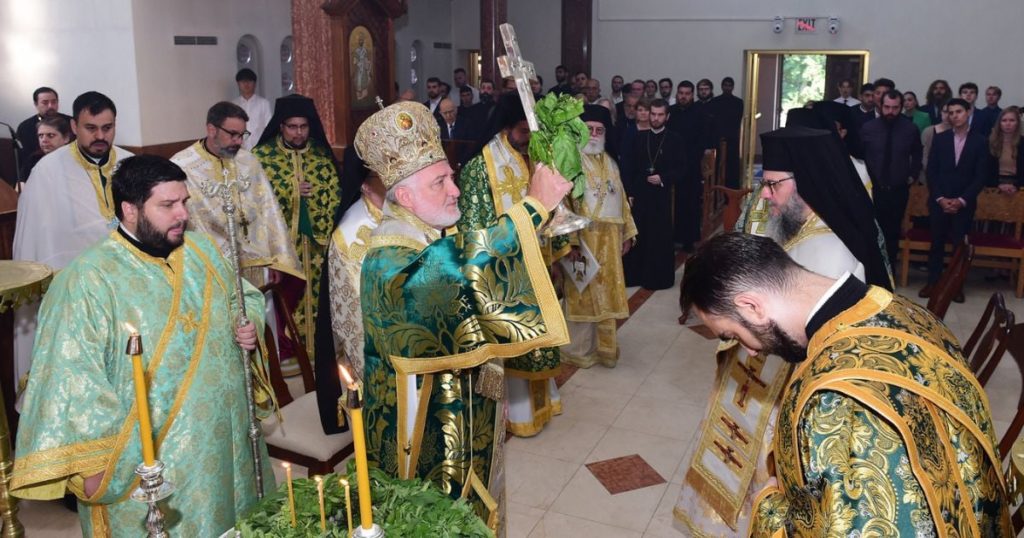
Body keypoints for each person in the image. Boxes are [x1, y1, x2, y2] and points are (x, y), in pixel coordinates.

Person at [680, 232, 1011, 537]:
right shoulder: (907, 311)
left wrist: (767, 499)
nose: (751, 351)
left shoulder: (828, 399)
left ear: (751, 306)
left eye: (734, 335)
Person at [11, 155, 274, 537]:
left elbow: (243, 297)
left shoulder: (202, 251)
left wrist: (247, 323)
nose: (181, 214)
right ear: (129, 210)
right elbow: (71, 379)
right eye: (167, 206)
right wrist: (95, 467)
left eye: (184, 202)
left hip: (225, 441)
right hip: (151, 462)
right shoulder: (87, 280)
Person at [356, 101, 571, 531]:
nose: (454, 189)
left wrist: (493, 393)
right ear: (404, 196)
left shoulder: (432, 229)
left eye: (450, 177)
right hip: (420, 431)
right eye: (440, 182)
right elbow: (454, 274)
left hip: (468, 412)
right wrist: (531, 209)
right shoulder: (386, 257)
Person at [675, 125, 891, 537]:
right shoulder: (792, 227)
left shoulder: (833, 252)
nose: (765, 195)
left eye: (773, 185)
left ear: (806, 183)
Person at [457, 93, 571, 438]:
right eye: (523, 132)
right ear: (507, 126)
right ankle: (517, 416)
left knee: (540, 340)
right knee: (516, 340)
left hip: (537, 260)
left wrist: (555, 253)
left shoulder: (533, 156)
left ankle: (544, 403)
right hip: (505, 268)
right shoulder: (482, 165)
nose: (528, 139)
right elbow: (474, 228)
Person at [13, 91, 134, 402]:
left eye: (107, 128)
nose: (100, 136)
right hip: (74, 294)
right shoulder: (48, 172)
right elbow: (36, 240)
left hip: (129, 292)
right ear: (74, 126)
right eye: (90, 128)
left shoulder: (131, 165)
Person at [171, 101, 303, 289]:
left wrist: (275, 260)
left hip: (254, 264)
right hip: (209, 268)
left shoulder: (248, 161)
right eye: (233, 134)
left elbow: (269, 210)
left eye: (243, 135)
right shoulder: (182, 166)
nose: (239, 142)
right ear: (211, 129)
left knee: (255, 314)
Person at [251, 95, 342, 358]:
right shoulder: (262, 156)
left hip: (316, 244)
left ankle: (319, 351)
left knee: (318, 297)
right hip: (282, 247)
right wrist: (292, 191)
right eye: (292, 127)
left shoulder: (320, 154)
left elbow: (333, 191)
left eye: (303, 127)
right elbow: (256, 199)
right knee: (286, 299)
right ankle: (291, 351)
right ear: (281, 126)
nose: (299, 133)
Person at [313, 146, 385, 434]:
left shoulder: (392, 215)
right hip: (377, 360)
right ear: (366, 186)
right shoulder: (352, 235)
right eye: (387, 182)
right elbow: (354, 323)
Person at [561, 106, 636, 368]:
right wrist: (569, 243)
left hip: (610, 240)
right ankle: (578, 350)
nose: (593, 134)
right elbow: (564, 205)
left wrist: (627, 233)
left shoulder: (611, 162)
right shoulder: (570, 161)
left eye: (599, 130)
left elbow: (623, 201)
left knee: (607, 294)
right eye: (589, 129)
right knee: (582, 293)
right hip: (582, 239)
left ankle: (604, 348)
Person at [921, 98, 987, 298]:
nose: (954, 116)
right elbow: (932, 171)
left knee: (959, 246)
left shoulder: (980, 141)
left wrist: (961, 200)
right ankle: (933, 283)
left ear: (968, 112)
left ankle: (956, 287)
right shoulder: (940, 139)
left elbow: (980, 176)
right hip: (940, 200)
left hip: (964, 203)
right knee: (937, 243)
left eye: (959, 111)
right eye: (951, 112)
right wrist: (941, 198)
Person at [623, 99, 683, 290]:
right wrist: (630, 193)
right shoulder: (639, 138)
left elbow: (682, 169)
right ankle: (636, 275)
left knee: (658, 237)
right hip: (640, 195)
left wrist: (663, 178)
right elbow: (630, 168)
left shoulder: (675, 139)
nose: (656, 118)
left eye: (660, 115)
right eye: (653, 114)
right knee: (638, 235)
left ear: (667, 116)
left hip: (661, 196)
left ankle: (657, 278)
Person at [860, 90, 923, 265]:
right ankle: (872, 270)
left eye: (895, 108)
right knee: (871, 231)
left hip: (898, 189)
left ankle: (890, 273)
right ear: (880, 106)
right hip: (872, 189)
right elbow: (860, 156)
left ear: (901, 107)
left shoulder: (910, 129)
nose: (890, 112)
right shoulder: (869, 128)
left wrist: (912, 175)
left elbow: (917, 154)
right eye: (887, 107)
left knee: (893, 232)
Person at [667, 80, 711, 250]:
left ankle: (688, 239)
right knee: (672, 202)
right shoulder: (671, 112)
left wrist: (690, 157)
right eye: (681, 93)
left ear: (692, 95)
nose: (683, 96)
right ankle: (671, 236)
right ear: (677, 94)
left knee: (690, 202)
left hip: (691, 165)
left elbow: (702, 139)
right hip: (671, 164)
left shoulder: (700, 113)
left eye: (687, 93)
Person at [14, 86, 68, 169]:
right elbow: (24, 159)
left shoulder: (70, 122)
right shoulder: (25, 127)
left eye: (54, 102)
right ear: (36, 104)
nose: (50, 106)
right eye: (45, 103)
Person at [708, 76, 744, 187]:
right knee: (716, 166)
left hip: (732, 139)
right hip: (717, 138)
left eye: (730, 85)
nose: (727, 87)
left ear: (732, 87)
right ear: (722, 86)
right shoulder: (715, 101)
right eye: (725, 85)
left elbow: (736, 120)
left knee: (732, 167)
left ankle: (732, 193)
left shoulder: (738, 102)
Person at [18, 114, 72, 180]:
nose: (44, 140)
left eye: (51, 135)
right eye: (41, 136)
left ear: (66, 138)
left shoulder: (76, 160)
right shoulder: (34, 159)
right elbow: (20, 186)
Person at [232, 68, 272, 151]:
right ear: (238, 84)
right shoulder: (233, 105)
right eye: (243, 81)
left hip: (260, 147)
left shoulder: (264, 103)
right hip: (240, 148)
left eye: (249, 81)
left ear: (254, 84)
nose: (246, 84)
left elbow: (268, 126)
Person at [987, 106, 1023, 193]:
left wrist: (1016, 186)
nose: (1008, 124)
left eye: (1012, 120)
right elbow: (983, 170)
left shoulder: (1022, 143)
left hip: (1018, 187)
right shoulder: (989, 143)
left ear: (1017, 123)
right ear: (999, 123)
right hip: (993, 186)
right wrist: (998, 185)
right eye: (1004, 120)